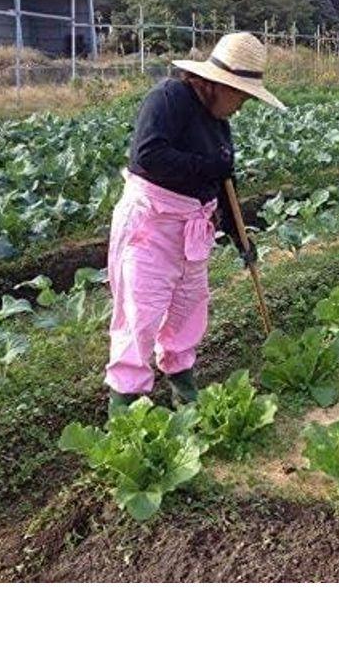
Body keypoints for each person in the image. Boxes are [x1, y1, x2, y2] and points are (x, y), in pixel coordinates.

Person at [104, 32, 286, 412]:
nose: (243, 105)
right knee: (141, 314)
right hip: (151, 226)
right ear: (216, 84)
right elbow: (149, 156)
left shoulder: (219, 122)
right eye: (242, 95)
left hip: (191, 230)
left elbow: (225, 183)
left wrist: (241, 239)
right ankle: (125, 410)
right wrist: (209, 167)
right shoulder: (169, 99)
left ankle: (183, 388)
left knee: (189, 308)